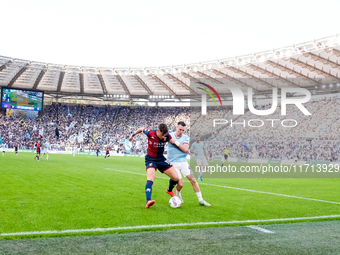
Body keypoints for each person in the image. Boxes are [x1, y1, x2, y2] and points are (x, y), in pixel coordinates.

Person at [129, 123, 180, 209]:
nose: (163, 136)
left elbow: (172, 141)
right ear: (158, 131)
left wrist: (179, 146)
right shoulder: (150, 132)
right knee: (151, 177)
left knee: (176, 178)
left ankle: (169, 190)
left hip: (162, 159)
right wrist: (132, 135)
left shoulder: (166, 135)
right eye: (162, 134)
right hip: (151, 159)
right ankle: (148, 201)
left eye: (165, 134)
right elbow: (141, 128)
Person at [168, 122, 211, 206]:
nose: (181, 131)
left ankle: (201, 200)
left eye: (183, 130)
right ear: (176, 127)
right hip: (172, 163)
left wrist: (175, 142)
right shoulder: (169, 135)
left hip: (183, 162)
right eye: (180, 129)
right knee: (180, 183)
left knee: (193, 180)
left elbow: (185, 149)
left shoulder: (186, 137)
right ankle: (178, 195)